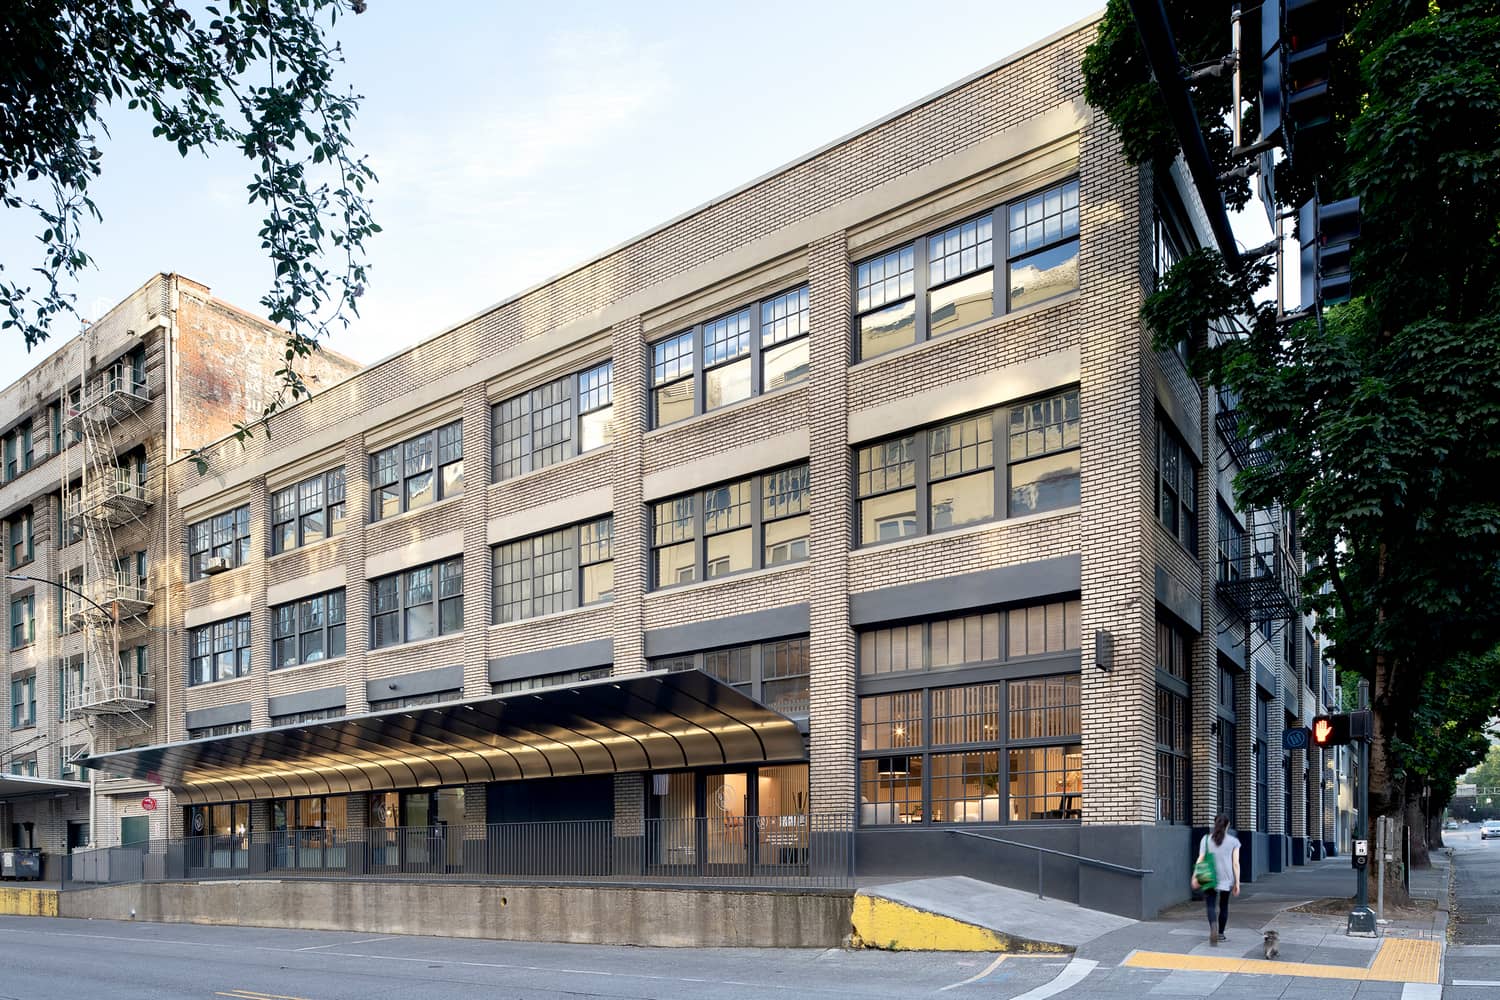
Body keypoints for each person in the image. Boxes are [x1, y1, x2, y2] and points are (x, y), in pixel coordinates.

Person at [1194, 813, 1241, 946]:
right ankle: (1220, 934)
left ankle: (1213, 927)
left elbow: (1200, 858)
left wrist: (1195, 875)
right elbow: (1236, 863)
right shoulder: (1234, 841)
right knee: (1224, 905)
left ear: (1215, 824)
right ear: (1228, 825)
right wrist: (1237, 882)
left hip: (1209, 876)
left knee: (1210, 905)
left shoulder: (1206, 839)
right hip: (1227, 877)